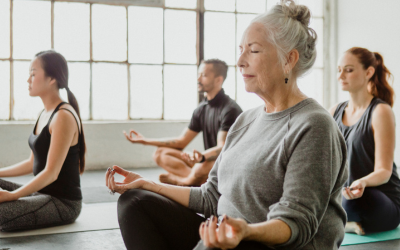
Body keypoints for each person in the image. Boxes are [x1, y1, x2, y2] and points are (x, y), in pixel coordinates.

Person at [107, 1, 348, 249]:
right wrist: (148, 184)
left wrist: (244, 231)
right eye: (241, 50)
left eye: (253, 51)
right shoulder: (246, 120)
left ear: (289, 59)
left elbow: (298, 222)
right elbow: (211, 196)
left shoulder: (314, 125)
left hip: (265, 244)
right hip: (228, 237)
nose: (240, 61)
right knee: (134, 202)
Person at [0, 51, 85, 231]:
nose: (28, 80)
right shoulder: (45, 114)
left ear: (51, 78)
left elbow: (51, 173)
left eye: (33, 74)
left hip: (62, 203)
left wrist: (13, 196)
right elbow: (32, 163)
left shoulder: (63, 116)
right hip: (40, 194)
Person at [123, 59, 242, 186]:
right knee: (160, 153)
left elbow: (223, 148)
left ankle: (184, 182)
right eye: (198, 74)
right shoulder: (201, 109)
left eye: (204, 75)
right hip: (205, 161)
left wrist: (202, 157)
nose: (198, 79)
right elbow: (181, 142)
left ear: (219, 80)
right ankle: (199, 181)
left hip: (226, 165)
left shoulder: (230, 109)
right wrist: (145, 141)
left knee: (202, 166)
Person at [330, 47, 400, 235]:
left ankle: (344, 223)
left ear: (368, 72)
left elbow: (384, 171)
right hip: (347, 195)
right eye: (339, 70)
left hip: (377, 197)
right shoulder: (334, 111)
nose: (341, 76)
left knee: (358, 201)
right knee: (332, 200)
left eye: (349, 70)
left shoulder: (380, 111)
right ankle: (349, 224)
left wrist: (362, 183)